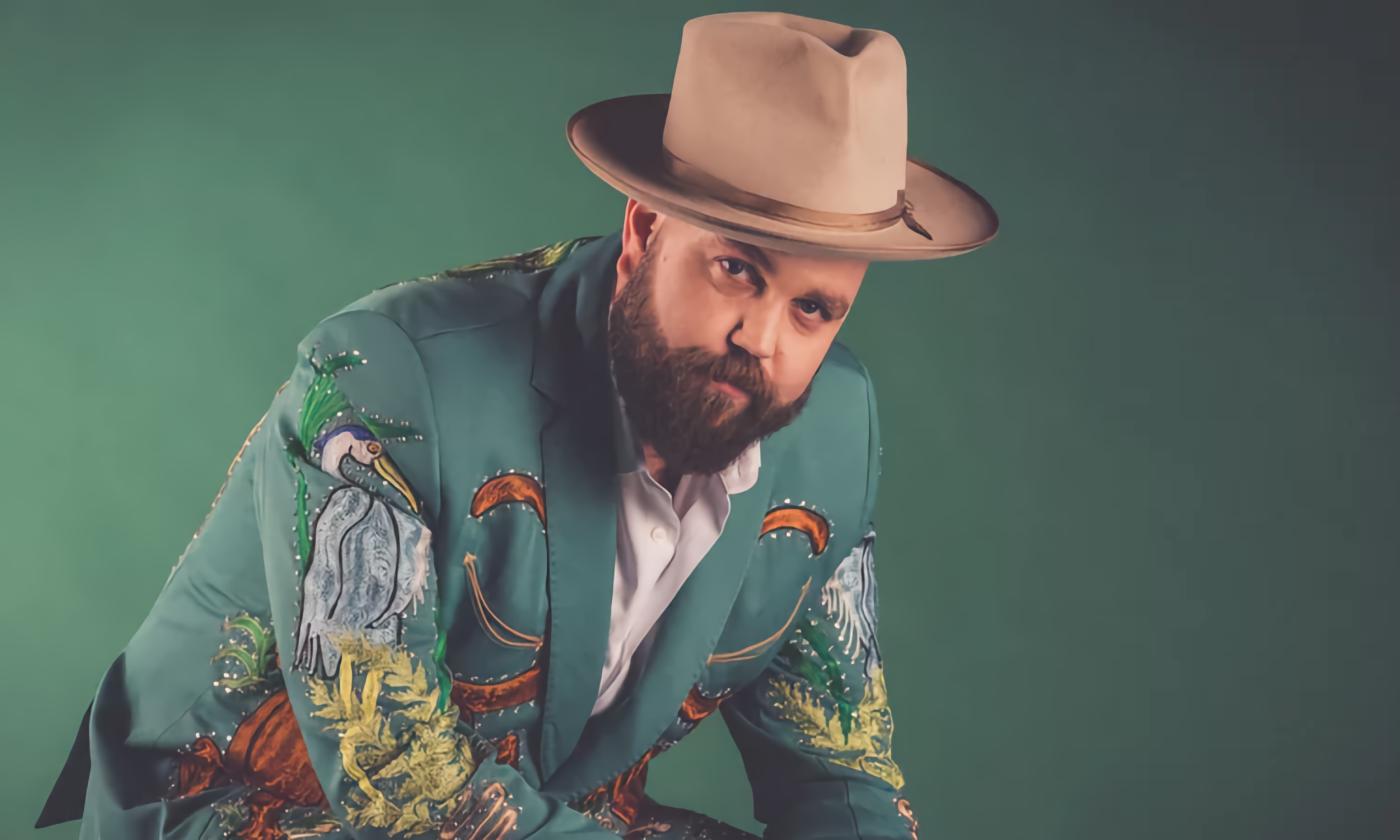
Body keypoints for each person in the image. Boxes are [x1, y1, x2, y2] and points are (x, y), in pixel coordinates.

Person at [38, 10, 996, 840]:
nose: (762, 340)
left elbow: (838, 769)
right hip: (247, 803)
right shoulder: (384, 376)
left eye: (815, 310)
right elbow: (401, 792)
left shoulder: (832, 430)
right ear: (645, 233)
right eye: (736, 269)